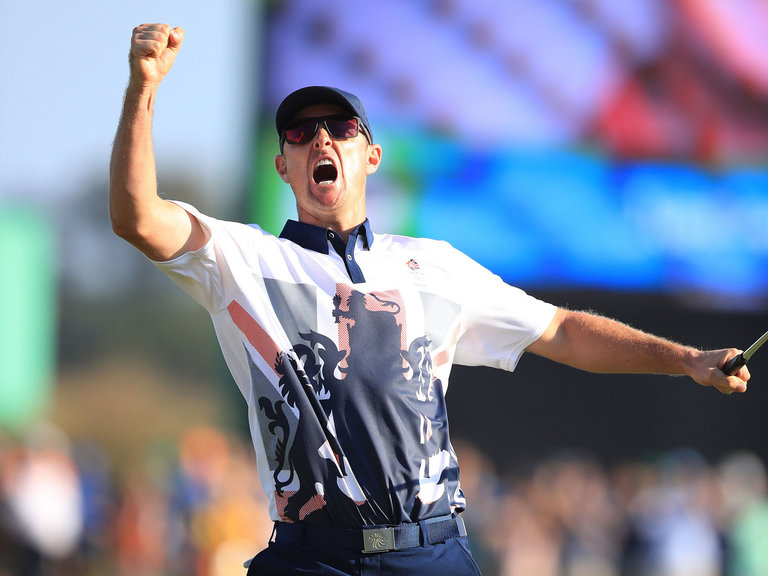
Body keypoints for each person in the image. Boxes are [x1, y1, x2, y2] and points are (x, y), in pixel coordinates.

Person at [109, 23, 750, 576]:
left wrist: (686, 357)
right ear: (283, 165)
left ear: (372, 155)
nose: (321, 139)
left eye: (341, 127)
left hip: (429, 551)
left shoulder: (432, 266)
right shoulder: (242, 258)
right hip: (312, 556)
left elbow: (562, 331)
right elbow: (138, 217)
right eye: (301, 132)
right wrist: (144, 86)